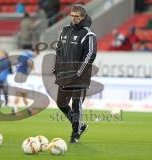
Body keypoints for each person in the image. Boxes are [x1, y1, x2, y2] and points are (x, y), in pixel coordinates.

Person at [54, 5, 97, 143]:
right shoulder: (64, 30)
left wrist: (78, 72)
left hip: (79, 77)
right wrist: (57, 68)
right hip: (64, 75)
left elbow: (90, 54)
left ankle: (75, 135)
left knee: (76, 104)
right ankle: (80, 125)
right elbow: (58, 51)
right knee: (61, 103)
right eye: (72, 15)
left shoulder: (88, 34)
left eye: (77, 16)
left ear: (83, 17)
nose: (74, 18)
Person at [13, 48, 39, 115]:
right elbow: (29, 62)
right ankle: (15, 111)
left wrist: (17, 69)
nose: (35, 56)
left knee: (24, 94)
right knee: (19, 94)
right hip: (20, 76)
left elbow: (15, 62)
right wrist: (35, 71)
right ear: (35, 52)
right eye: (36, 55)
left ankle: (29, 110)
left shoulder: (25, 53)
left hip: (19, 75)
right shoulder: (29, 55)